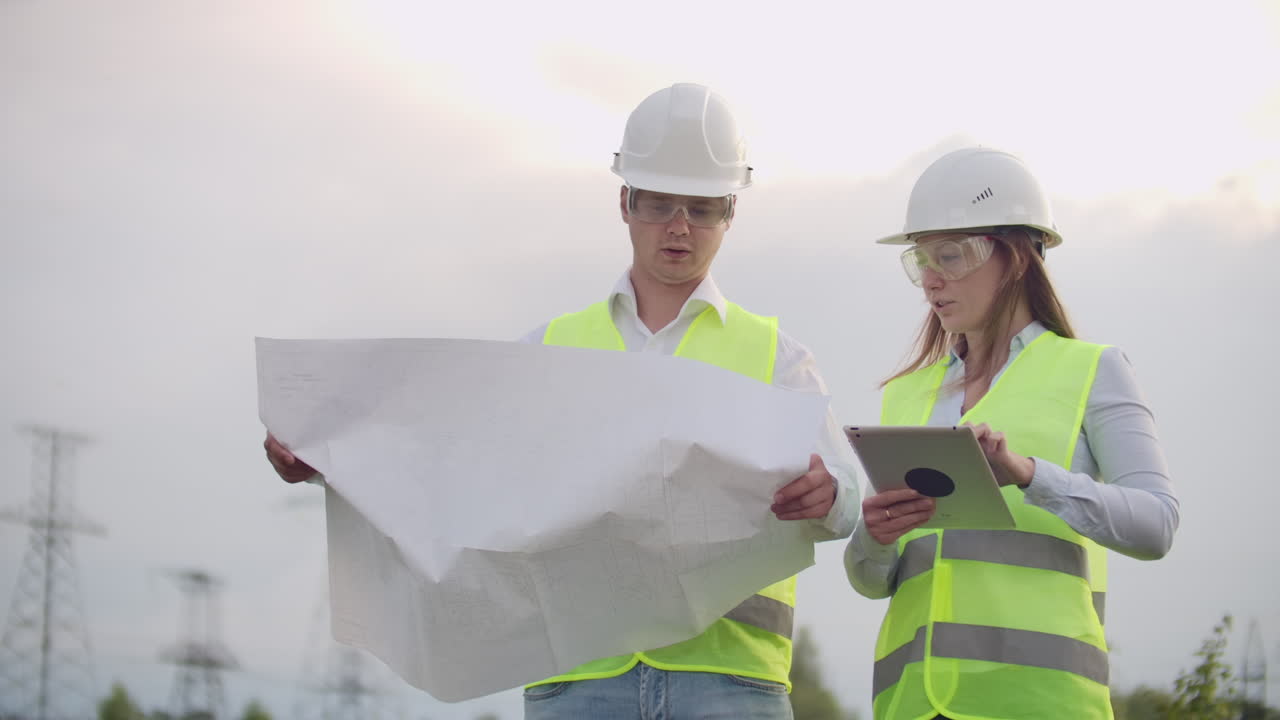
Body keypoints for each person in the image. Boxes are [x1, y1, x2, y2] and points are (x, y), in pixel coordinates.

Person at [265, 83, 861, 719]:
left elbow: (846, 500)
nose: (679, 226)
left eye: (702, 208)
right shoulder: (549, 351)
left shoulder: (776, 358)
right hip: (579, 681)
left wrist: (828, 495)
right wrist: (333, 458)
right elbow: (451, 461)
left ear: (730, 213)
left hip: (729, 683)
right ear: (625, 202)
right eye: (659, 202)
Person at [843, 147, 1179, 720]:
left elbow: (1156, 525)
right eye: (921, 259)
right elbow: (873, 582)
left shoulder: (1094, 370)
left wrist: (1029, 475)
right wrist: (872, 538)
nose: (931, 280)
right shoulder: (907, 395)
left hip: (1041, 702)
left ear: (1018, 257)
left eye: (950, 256)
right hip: (912, 704)